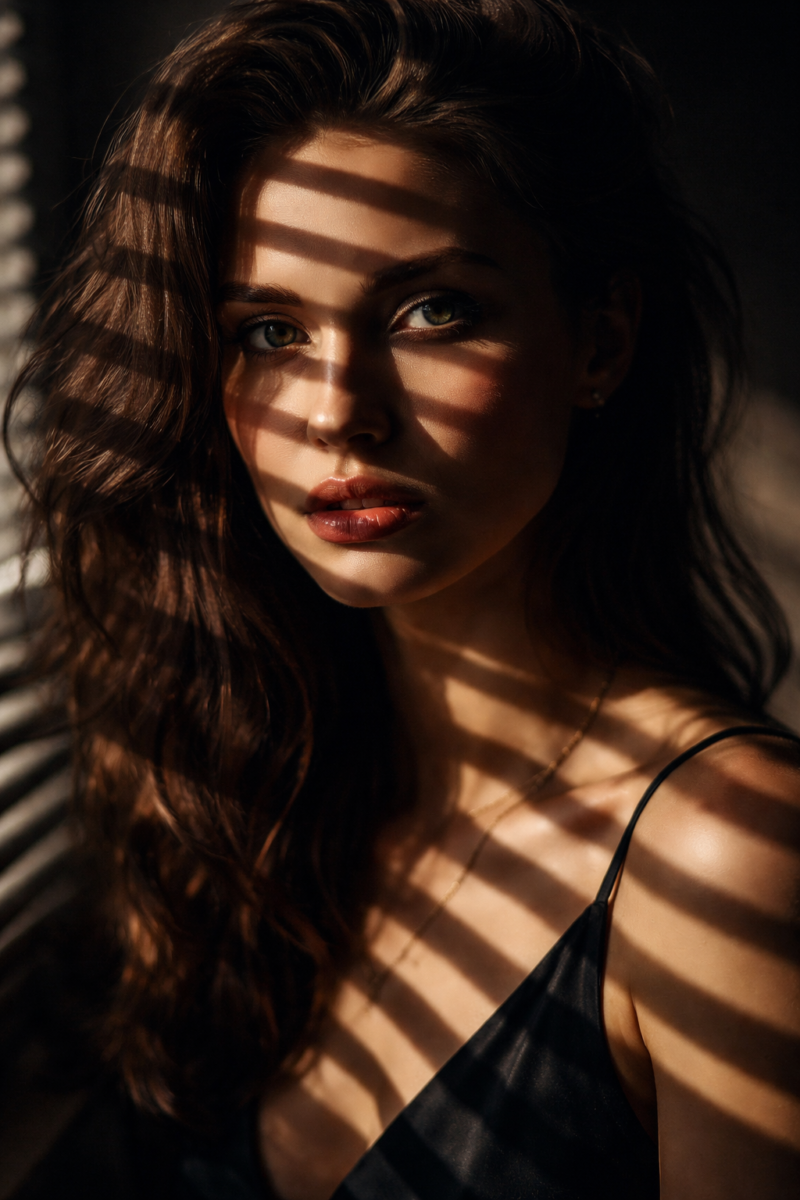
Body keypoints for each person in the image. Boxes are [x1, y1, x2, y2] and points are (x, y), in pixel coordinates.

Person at [6, 0, 800, 1197]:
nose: (337, 409)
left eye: (434, 311)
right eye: (268, 331)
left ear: (600, 340)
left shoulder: (721, 855)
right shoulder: (261, 799)